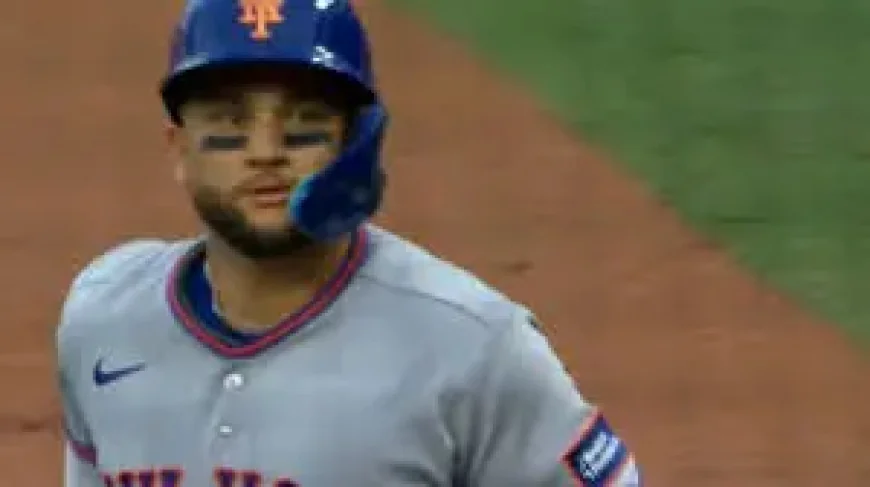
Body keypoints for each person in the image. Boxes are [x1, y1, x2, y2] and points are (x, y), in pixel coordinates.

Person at [56, 0, 643, 485]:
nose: (265, 150)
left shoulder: (471, 346)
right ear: (178, 148)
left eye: (303, 119)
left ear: (353, 143)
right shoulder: (103, 317)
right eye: (230, 123)